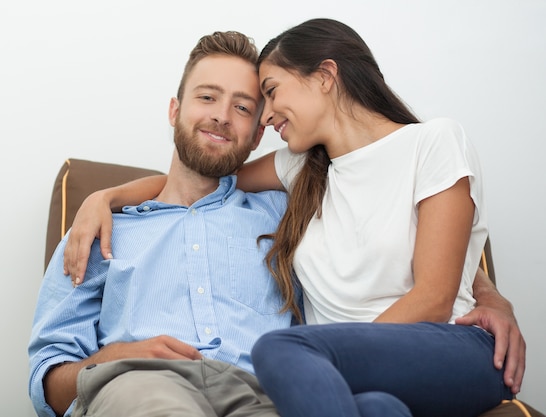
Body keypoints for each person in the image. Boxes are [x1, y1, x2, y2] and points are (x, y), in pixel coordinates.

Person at [59, 19, 530, 417]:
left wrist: (492, 297)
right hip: (339, 373)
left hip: (425, 347)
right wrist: (106, 197)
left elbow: (435, 294)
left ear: (325, 75)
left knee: (279, 349)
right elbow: (203, 180)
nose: (263, 120)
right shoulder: (300, 171)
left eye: (266, 94)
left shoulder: (433, 142)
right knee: (378, 409)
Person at [30, 30, 412, 417]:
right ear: (174, 110)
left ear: (259, 134)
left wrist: (476, 284)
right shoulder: (98, 232)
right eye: (207, 97)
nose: (222, 116)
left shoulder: (290, 214)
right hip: (139, 385)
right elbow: (47, 384)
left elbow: (391, 226)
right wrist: (113, 358)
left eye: (243, 108)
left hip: (264, 395)